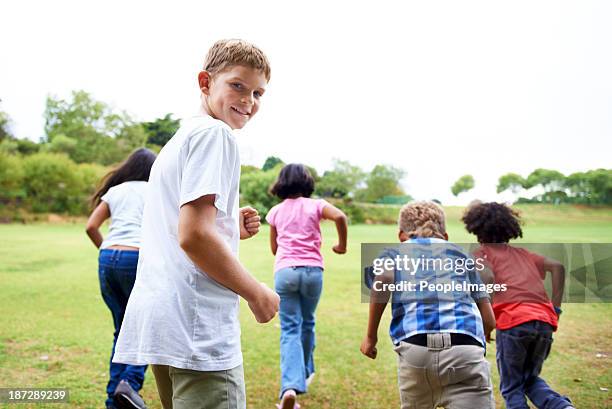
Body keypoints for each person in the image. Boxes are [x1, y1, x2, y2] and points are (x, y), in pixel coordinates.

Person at [111, 39, 280, 409]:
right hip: (196, 325)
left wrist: (229, 224)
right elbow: (195, 235)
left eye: (258, 93)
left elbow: (181, 224)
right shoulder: (215, 134)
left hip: (163, 321)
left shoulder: (181, 138)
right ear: (206, 82)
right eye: (237, 85)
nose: (248, 100)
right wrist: (256, 292)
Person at [360, 201, 496, 409]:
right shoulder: (463, 257)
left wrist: (370, 337)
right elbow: (489, 320)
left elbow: (384, 278)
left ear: (401, 235)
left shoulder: (394, 254)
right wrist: (484, 333)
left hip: (416, 350)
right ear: (446, 236)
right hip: (465, 349)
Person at [463, 202, 574, 409]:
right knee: (529, 379)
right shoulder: (524, 254)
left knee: (512, 387)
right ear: (509, 230)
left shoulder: (481, 255)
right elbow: (557, 267)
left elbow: (487, 277)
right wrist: (555, 308)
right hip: (544, 322)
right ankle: (562, 407)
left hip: (513, 323)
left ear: (477, 231)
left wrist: (485, 322)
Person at [266, 163, 348, 409]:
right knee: (308, 322)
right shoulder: (316, 205)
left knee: (290, 328)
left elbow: (274, 249)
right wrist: (341, 245)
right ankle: (302, 373)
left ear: (281, 183)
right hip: (313, 272)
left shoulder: (276, 212)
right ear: (307, 183)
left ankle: (290, 386)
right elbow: (341, 216)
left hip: (285, 272)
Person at [86, 147, 157, 409]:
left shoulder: (116, 191)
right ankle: (128, 385)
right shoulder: (154, 190)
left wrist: (108, 251)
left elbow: (91, 226)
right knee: (146, 330)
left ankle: (113, 400)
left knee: (122, 332)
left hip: (107, 259)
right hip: (138, 258)